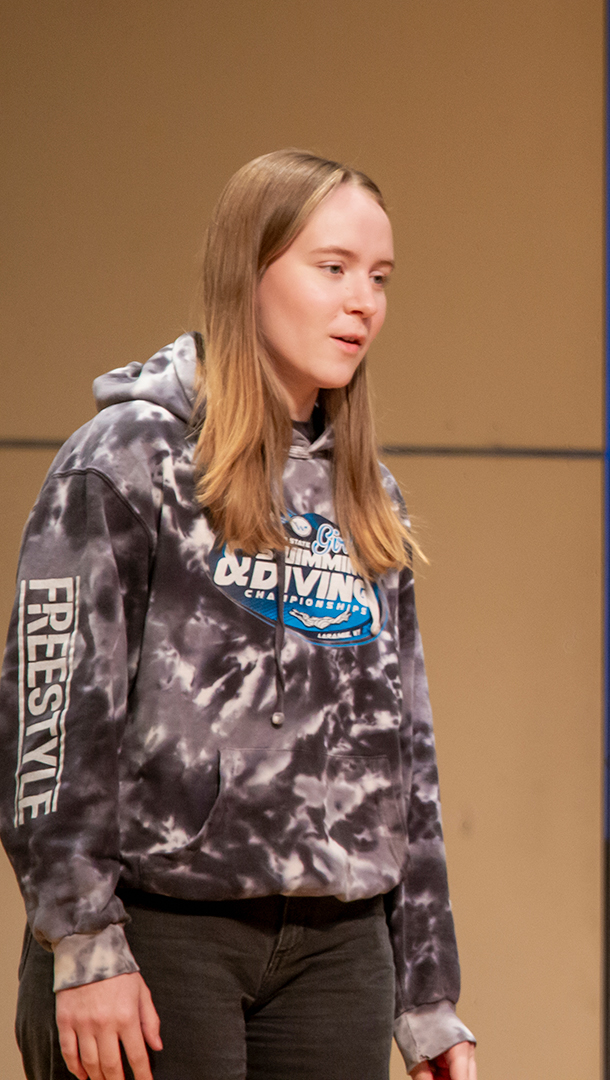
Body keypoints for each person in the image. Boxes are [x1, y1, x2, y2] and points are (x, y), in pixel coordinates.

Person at [3, 150, 477, 1080]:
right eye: (331, 268)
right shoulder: (129, 458)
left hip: (338, 953)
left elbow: (405, 755)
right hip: (161, 933)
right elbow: (50, 722)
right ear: (246, 274)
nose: (362, 303)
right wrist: (83, 940)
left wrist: (428, 998)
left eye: (379, 279)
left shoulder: (365, 492)